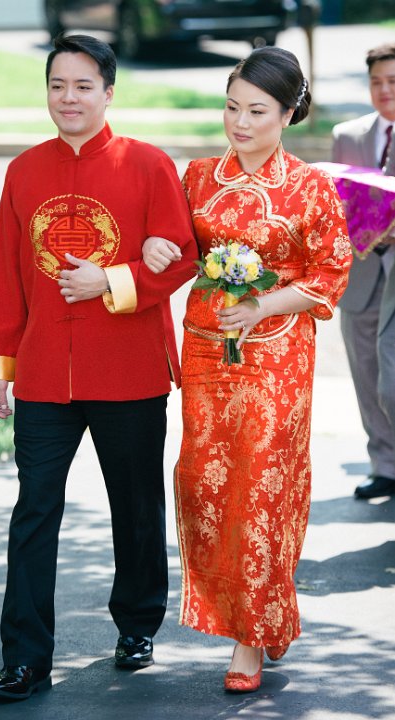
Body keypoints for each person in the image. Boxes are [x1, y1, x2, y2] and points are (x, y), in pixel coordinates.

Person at [0, 34, 197, 702]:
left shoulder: (148, 165)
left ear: (108, 93)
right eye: (57, 85)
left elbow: (182, 256)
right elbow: (5, 272)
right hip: (44, 372)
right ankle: (24, 659)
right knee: (33, 511)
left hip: (127, 369)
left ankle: (137, 625)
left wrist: (112, 279)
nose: (68, 98)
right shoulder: (23, 171)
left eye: (82, 86)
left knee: (135, 505)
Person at [143, 46, 352, 693]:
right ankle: (267, 611)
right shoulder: (197, 176)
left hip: (277, 357)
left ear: (287, 114)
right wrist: (155, 246)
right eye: (231, 107)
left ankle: (249, 639)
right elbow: (179, 249)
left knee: (261, 486)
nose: (239, 122)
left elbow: (330, 271)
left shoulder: (310, 186)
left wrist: (263, 303)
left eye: (257, 111)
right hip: (208, 351)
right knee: (206, 483)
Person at [332, 43, 395, 500]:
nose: (384, 89)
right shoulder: (348, 135)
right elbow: (337, 202)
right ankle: (385, 465)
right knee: (366, 372)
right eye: (376, 82)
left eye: (393, 81)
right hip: (363, 272)